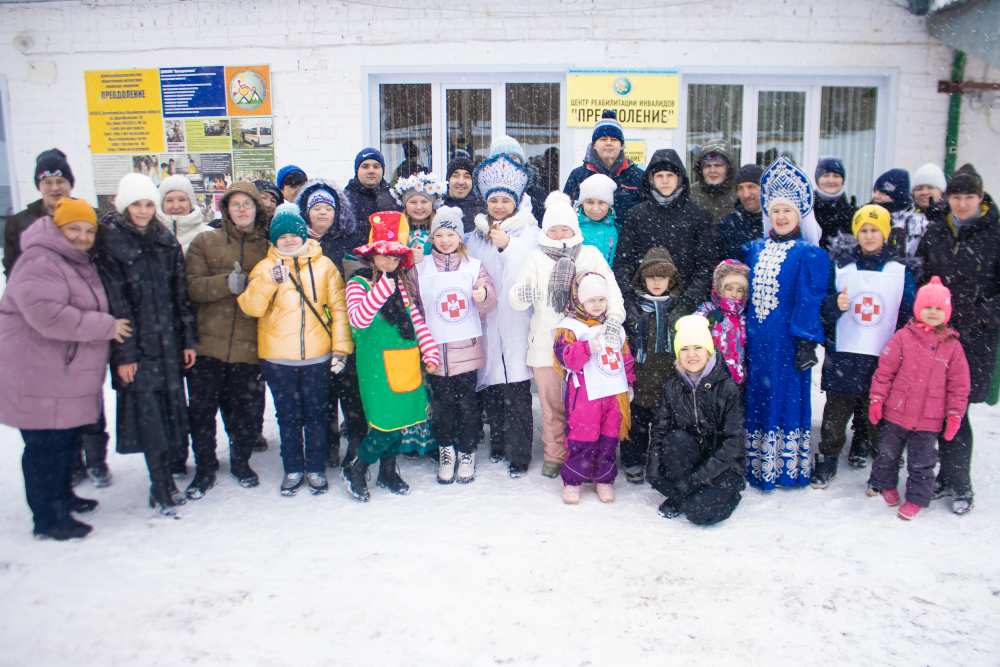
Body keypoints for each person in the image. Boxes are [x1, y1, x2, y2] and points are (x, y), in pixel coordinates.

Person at [0, 199, 131, 539]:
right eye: (73, 228)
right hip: (38, 372)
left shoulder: (71, 259)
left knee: (62, 442)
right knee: (44, 447)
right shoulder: (40, 260)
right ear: (57, 227)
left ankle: (62, 498)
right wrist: (106, 326)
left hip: (58, 371)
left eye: (88, 231)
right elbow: (48, 315)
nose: (82, 236)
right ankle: (48, 518)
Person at [97, 173, 198, 515]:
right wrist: (125, 355)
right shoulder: (111, 242)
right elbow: (117, 304)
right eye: (136, 204)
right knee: (149, 418)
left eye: (148, 204)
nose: (143, 211)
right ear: (125, 206)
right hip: (137, 347)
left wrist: (187, 339)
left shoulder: (164, 239)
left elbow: (179, 294)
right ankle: (160, 484)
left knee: (171, 414)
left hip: (168, 343)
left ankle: (168, 476)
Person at [237, 203, 352, 497]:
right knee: (287, 416)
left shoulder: (324, 266)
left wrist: (340, 348)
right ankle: (293, 467)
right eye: (282, 236)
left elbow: (339, 309)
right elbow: (251, 308)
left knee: (316, 415)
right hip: (278, 359)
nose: (288, 240)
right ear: (274, 239)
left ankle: (315, 466)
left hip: (317, 356)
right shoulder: (265, 268)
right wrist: (268, 282)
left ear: (303, 235)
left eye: (293, 234)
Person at [510, 191, 625, 479]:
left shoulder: (590, 254)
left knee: (586, 405)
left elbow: (611, 290)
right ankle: (555, 454)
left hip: (585, 344)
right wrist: (522, 294)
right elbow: (517, 296)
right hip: (546, 344)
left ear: (574, 228)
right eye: (554, 229)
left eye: (565, 228)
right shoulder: (536, 258)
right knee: (552, 405)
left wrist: (614, 320)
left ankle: (585, 454)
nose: (560, 234)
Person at [915, 164, 1000, 515]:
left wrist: (982, 314)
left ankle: (960, 483)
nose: (962, 204)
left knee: (956, 409)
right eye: (957, 197)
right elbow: (921, 271)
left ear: (980, 198)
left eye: (969, 197)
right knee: (937, 407)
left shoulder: (994, 233)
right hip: (937, 333)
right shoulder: (937, 230)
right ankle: (946, 476)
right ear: (948, 198)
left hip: (975, 338)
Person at [813, 205, 916, 488]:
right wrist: (834, 305)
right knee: (835, 414)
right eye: (864, 230)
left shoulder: (899, 271)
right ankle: (828, 458)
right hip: (844, 357)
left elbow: (908, 313)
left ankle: (883, 464)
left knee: (878, 415)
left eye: (875, 230)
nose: (869, 236)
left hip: (882, 359)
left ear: (885, 234)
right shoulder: (841, 267)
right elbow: (823, 310)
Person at [744, 157, 830, 491]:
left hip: (789, 345)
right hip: (757, 343)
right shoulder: (754, 249)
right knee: (758, 397)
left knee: (785, 400)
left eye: (787, 211)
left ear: (799, 215)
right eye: (775, 210)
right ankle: (757, 465)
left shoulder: (808, 253)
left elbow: (810, 299)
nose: (781, 217)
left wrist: (806, 340)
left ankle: (785, 468)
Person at [343, 212, 440, 501]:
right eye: (384, 255)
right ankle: (358, 468)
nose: (389, 261)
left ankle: (388, 471)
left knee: (402, 421)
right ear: (372, 255)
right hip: (375, 365)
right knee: (384, 424)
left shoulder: (401, 285)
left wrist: (429, 350)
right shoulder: (358, 284)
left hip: (406, 362)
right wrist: (381, 290)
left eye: (395, 256)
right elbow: (358, 320)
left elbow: (415, 320)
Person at [184, 182, 270, 498]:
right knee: (202, 413)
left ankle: (241, 462)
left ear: (257, 209)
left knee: (244, 413)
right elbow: (191, 286)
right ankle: (205, 467)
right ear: (226, 209)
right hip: (208, 345)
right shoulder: (206, 241)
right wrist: (225, 283)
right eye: (236, 204)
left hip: (248, 346)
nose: (242, 209)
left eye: (247, 204)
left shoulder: (267, 248)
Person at [867, 277, 970, 520]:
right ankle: (885, 484)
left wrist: (954, 416)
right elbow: (885, 371)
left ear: (946, 312)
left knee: (922, 462)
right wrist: (877, 399)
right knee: (887, 454)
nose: (932, 312)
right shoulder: (903, 337)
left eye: (938, 308)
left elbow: (959, 386)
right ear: (917, 308)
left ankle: (916, 498)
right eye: (927, 307)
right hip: (896, 413)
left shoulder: (953, 347)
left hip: (929, 420)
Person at [466, 153, 539, 477]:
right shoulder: (474, 236)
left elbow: (530, 265)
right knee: (493, 386)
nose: (498, 206)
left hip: (516, 321)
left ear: (516, 202)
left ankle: (519, 454)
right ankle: (498, 441)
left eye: (505, 200)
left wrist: (508, 245)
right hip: (487, 320)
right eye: (493, 200)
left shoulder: (529, 232)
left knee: (517, 390)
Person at [417, 206, 496, 483]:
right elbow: (413, 301)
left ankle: (466, 451)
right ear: (432, 237)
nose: (445, 240)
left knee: (468, 406)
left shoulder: (473, 266)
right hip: (435, 351)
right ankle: (446, 451)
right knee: (441, 406)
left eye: (451, 234)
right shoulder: (422, 266)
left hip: (466, 349)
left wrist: (483, 295)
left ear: (460, 237)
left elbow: (489, 298)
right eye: (439, 235)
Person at [647, 314, 745, 526]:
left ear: (708, 350)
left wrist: (695, 479)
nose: (691, 355)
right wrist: (653, 467)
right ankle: (687, 493)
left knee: (700, 513)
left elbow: (733, 443)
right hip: (691, 457)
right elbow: (661, 429)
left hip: (722, 465)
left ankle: (723, 493)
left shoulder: (726, 387)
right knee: (675, 439)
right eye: (684, 349)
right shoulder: (672, 386)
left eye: (698, 348)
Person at [295, 178, 365, 468]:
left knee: (350, 390)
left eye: (328, 208)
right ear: (306, 212)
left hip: (345, 326)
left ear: (337, 212)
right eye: (316, 208)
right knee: (322, 393)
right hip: (313, 329)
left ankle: (356, 443)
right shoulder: (297, 244)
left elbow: (361, 277)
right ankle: (328, 445)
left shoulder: (348, 241)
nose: (323, 213)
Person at [554, 272, 635, 504]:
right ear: (579, 300)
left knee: (609, 436)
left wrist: (629, 383)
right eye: (591, 300)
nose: (597, 305)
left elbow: (626, 358)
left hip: (613, 393)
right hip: (585, 395)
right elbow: (565, 358)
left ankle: (604, 478)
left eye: (601, 299)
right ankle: (573, 479)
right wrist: (588, 347)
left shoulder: (614, 327)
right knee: (583, 436)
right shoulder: (569, 328)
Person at [613, 149, 718, 314]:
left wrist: (687, 303)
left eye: (670, 175)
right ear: (651, 179)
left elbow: (705, 266)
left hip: (685, 304)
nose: (665, 181)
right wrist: (629, 302)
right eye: (659, 176)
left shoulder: (698, 216)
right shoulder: (636, 215)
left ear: (679, 178)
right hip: (642, 303)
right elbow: (623, 263)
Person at [622, 247, 682, 484]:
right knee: (635, 425)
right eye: (651, 277)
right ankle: (633, 460)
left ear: (671, 280)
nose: (657, 282)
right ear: (642, 279)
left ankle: (660, 462)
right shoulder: (632, 308)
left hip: (666, 378)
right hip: (639, 378)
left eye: (662, 277)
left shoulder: (677, 308)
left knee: (663, 425)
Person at [5, 148, 77, 277]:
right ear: (39, 186)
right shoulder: (17, 224)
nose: (55, 188)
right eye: (47, 182)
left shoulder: (93, 218)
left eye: (60, 181)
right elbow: (12, 270)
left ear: (70, 184)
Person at [563, 110, 644, 222]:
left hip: (629, 234)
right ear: (594, 145)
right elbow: (564, 213)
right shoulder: (578, 176)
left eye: (614, 140)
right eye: (603, 139)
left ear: (622, 146)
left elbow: (647, 214)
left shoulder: (638, 176)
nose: (609, 143)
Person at [343, 147, 398, 278]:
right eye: (365, 166)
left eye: (376, 166)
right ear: (357, 170)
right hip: (357, 270)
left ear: (383, 170)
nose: (371, 170)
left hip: (389, 268)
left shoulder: (394, 197)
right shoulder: (345, 199)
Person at [696, 260, 750, 386]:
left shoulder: (744, 318)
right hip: (709, 374)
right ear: (720, 289)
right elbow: (693, 329)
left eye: (739, 290)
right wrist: (709, 321)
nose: (734, 294)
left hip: (736, 376)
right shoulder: (709, 310)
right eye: (729, 289)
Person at [390, 171, 445, 266]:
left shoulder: (441, 229)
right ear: (405, 205)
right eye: (413, 202)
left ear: (432, 204)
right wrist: (406, 260)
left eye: (424, 202)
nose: (419, 207)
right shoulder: (396, 230)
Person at [871, 168, 921, 258]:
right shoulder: (868, 215)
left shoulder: (917, 222)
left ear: (897, 196)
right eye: (875, 191)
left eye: (882, 193)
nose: (876, 196)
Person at [718, 164, 763, 262]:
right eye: (740, 188)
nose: (746, 194)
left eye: (751, 187)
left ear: (763, 188)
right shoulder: (728, 224)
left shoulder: (777, 221)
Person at [157, 174, 210, 252]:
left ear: (190, 203)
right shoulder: (149, 236)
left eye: (182, 200)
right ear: (161, 204)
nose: (176, 206)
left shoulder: (208, 236)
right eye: (169, 200)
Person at [812, 157, 857, 250]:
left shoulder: (852, 213)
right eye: (826, 175)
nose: (831, 180)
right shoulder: (807, 210)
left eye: (836, 176)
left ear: (842, 180)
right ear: (817, 180)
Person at [575, 173, 618, 265]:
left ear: (609, 205)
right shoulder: (573, 229)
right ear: (582, 204)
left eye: (601, 202)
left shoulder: (613, 229)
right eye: (590, 202)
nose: (595, 208)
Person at [689, 141, 736, 223]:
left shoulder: (740, 193)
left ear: (728, 168)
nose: (712, 170)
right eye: (707, 166)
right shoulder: (689, 193)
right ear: (700, 170)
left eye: (718, 165)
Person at [443, 156, 485, 232]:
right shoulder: (437, 209)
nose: (461, 182)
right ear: (448, 179)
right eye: (455, 176)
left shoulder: (482, 213)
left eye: (467, 177)